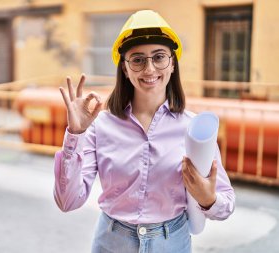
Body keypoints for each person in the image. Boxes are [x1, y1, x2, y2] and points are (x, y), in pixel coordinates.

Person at [53, 10, 235, 253]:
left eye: (159, 57)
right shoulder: (100, 126)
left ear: (172, 64)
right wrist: (75, 135)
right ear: (125, 69)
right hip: (111, 243)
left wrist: (208, 199)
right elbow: (68, 201)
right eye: (137, 59)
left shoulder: (194, 129)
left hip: (172, 243)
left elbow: (226, 204)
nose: (149, 69)